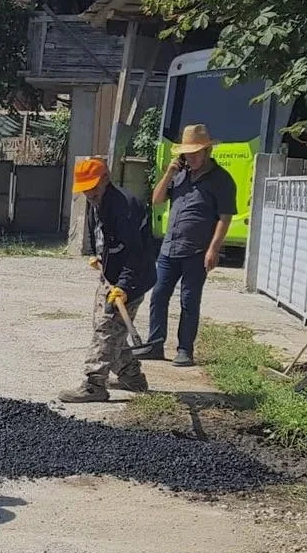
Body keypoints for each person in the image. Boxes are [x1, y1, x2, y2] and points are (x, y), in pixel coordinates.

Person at [138, 124, 238, 367]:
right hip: (169, 248)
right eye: (187, 153)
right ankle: (155, 344)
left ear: (206, 152)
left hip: (197, 251)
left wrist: (214, 249)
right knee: (159, 295)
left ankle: (185, 350)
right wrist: (169, 174)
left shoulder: (221, 180)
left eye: (195, 152)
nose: (190, 157)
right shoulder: (179, 175)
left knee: (189, 301)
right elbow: (157, 199)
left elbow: (225, 217)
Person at [59, 158, 157, 404]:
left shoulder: (125, 207)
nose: (89, 193)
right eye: (85, 188)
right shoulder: (95, 201)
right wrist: (95, 254)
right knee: (108, 329)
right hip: (111, 273)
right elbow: (95, 230)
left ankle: (94, 385)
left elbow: (136, 252)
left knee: (106, 329)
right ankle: (131, 376)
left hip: (133, 276)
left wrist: (124, 286)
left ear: (105, 179)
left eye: (93, 186)